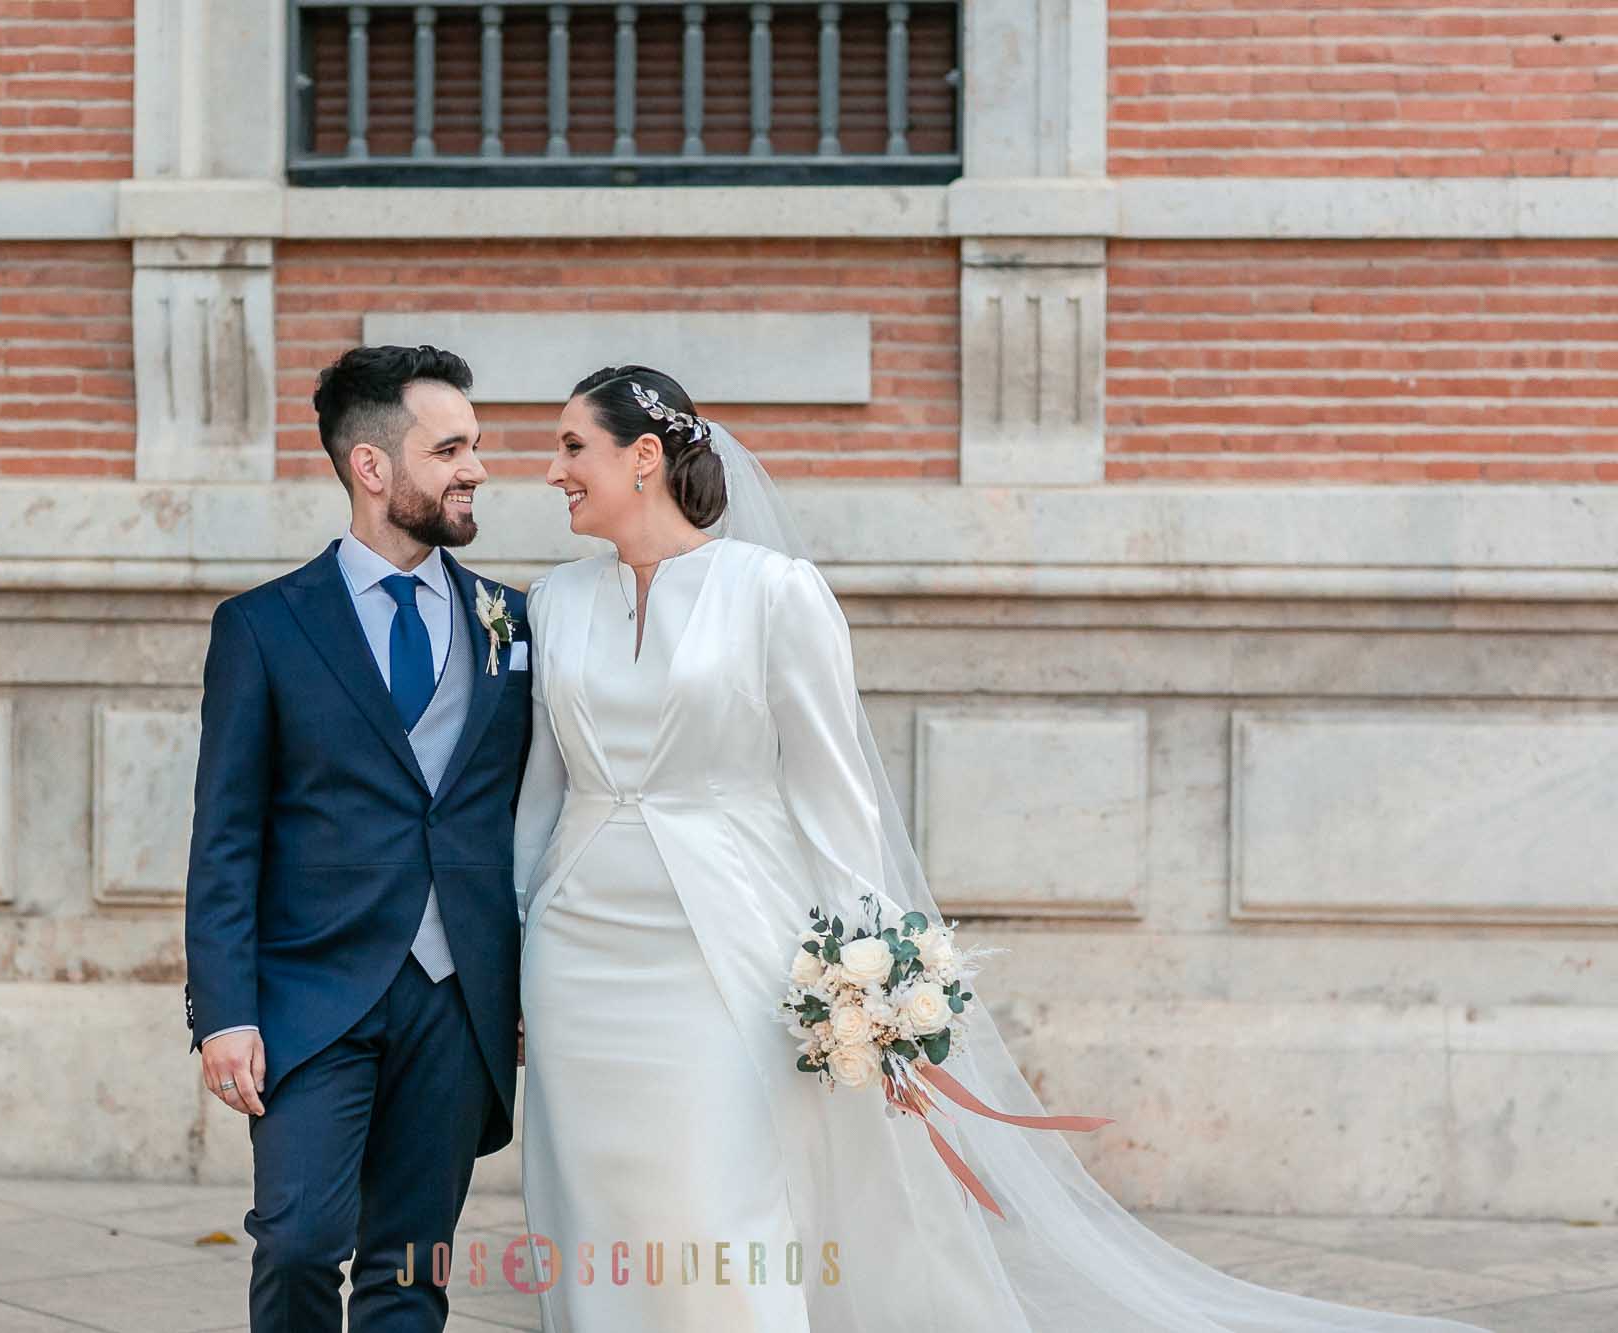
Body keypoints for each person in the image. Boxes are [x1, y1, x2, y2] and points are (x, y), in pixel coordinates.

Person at [511, 364, 1485, 1332]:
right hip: (578, 954)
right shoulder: (553, 604)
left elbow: (831, 790)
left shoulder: (774, 594)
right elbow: (538, 796)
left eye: (569, 447)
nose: (552, 470)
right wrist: (515, 933)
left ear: (642, 457)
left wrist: (865, 971)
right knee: (598, 1202)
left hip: (718, 947)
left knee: (717, 1194)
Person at [183, 345, 532, 1331]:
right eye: (450, 447)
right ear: (372, 467)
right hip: (309, 995)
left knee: (410, 1273)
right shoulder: (262, 627)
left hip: (455, 999)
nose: (476, 468)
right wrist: (222, 1011)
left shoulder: (513, 622)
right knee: (295, 1242)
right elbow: (224, 837)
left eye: (477, 445)